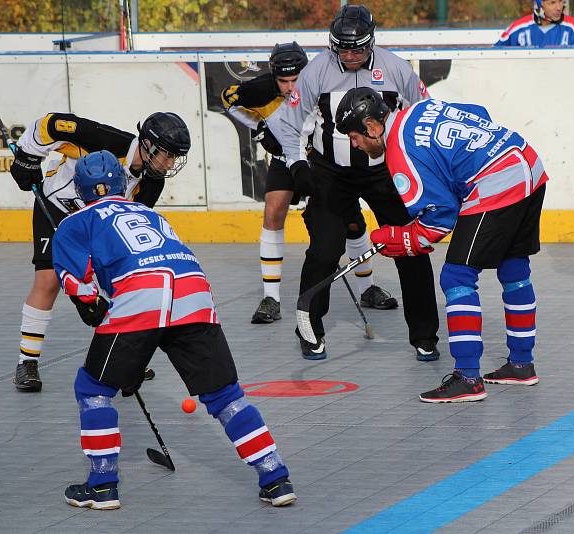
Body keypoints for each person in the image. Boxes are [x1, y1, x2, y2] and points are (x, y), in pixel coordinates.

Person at [53, 150, 296, 510]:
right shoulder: (151, 213)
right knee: (225, 395)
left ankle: (102, 485)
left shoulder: (76, 221)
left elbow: (79, 285)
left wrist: (95, 306)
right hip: (193, 292)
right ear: (123, 184)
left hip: (141, 297)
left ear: (82, 189)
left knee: (93, 388)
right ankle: (275, 476)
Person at [336, 88, 548, 403]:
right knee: (514, 267)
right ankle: (520, 363)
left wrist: (397, 238)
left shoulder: (400, 152)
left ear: (372, 126)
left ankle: (468, 377)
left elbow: (440, 221)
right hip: (527, 163)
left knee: (456, 277)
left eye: (355, 136)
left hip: (497, 182)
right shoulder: (422, 109)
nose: (355, 144)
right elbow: (478, 110)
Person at [266, 4, 440, 361]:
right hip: (332, 172)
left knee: (410, 248)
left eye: (358, 48)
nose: (350, 55)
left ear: (371, 42)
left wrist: (423, 166)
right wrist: (298, 165)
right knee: (324, 251)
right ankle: (309, 328)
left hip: (386, 171)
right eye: (342, 49)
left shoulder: (396, 69)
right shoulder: (316, 70)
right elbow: (285, 123)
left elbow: (426, 113)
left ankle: (425, 335)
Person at [9, 111, 190, 392]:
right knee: (48, 280)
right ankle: (27, 361)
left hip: (95, 223)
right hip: (57, 209)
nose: (169, 164)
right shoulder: (105, 141)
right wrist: (27, 158)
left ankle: (125, 354)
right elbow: (51, 124)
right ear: (147, 144)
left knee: (119, 280)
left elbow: (128, 218)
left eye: (174, 158)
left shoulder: (153, 181)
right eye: (166, 154)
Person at [220, 42, 397, 325]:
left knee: (351, 221)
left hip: (318, 162)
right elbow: (228, 99)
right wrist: (259, 128)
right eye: (283, 81)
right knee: (273, 213)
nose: (290, 87)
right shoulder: (260, 90)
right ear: (273, 76)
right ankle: (271, 298)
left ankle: (368, 287)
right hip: (283, 159)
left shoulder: (317, 86)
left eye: (295, 80)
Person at [494, 0, 574, 47]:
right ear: (539, 5)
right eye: (552, 2)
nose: (559, 7)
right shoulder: (517, 28)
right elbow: (494, 57)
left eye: (561, 1)